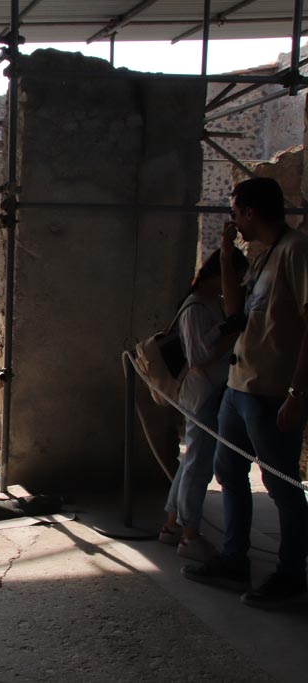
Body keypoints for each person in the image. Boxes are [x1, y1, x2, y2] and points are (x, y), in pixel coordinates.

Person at [182, 176, 308, 609]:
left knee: (282, 486)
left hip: (271, 390)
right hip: (240, 386)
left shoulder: (296, 250)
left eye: (235, 212)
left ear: (251, 212)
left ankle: (291, 574)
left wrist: (297, 392)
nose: (233, 219)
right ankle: (236, 558)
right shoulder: (263, 255)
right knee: (230, 473)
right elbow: (235, 312)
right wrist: (223, 249)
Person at [160, 248, 248, 561]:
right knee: (198, 467)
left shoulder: (211, 303)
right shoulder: (195, 307)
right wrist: (232, 332)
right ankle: (189, 534)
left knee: (192, 463)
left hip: (209, 392)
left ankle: (172, 526)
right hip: (201, 394)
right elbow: (198, 357)